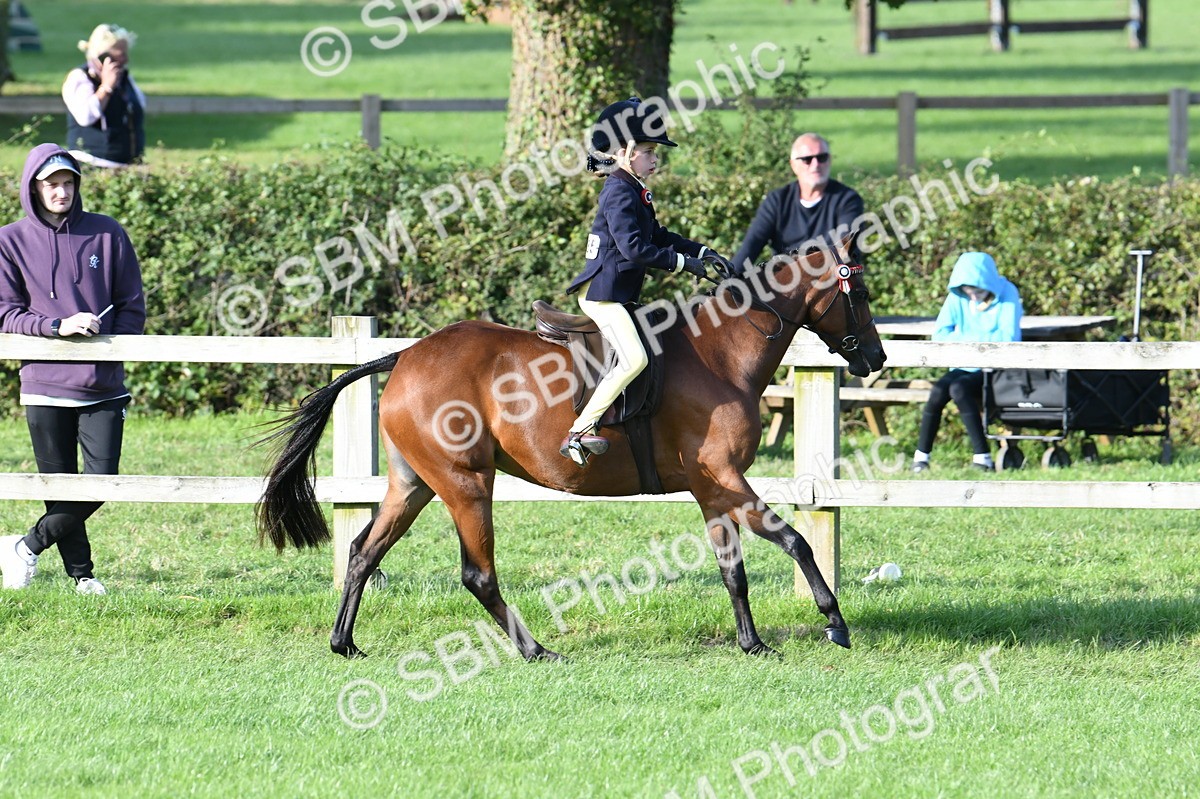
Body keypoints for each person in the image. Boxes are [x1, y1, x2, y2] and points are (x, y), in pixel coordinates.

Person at [0, 144, 146, 593]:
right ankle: (82, 577)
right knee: (59, 485)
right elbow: (6, 313)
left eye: (68, 182)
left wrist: (108, 348)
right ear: (33, 187)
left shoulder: (108, 233)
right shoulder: (10, 240)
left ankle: (24, 547)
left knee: (102, 482)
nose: (61, 191)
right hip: (44, 383)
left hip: (102, 384)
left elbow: (131, 306)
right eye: (51, 184)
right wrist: (56, 326)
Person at [559, 97, 731, 466]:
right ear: (624, 152)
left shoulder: (632, 186)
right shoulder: (619, 190)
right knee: (635, 358)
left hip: (618, 292)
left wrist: (703, 252)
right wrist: (683, 264)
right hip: (603, 295)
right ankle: (580, 430)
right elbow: (635, 248)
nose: (656, 160)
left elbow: (658, 234)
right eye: (650, 152)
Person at [911, 252, 1022, 474]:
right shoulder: (958, 296)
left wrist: (967, 340)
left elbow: (1008, 338)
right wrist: (975, 342)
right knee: (938, 391)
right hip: (963, 363)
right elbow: (940, 335)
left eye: (978, 291)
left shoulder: (1008, 292)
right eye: (968, 291)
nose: (972, 296)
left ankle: (982, 456)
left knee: (958, 389)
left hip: (995, 367)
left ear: (988, 284)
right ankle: (921, 457)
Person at [732, 133, 864, 271]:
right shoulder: (777, 201)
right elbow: (750, 247)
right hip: (783, 285)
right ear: (793, 165)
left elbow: (846, 251)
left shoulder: (847, 200)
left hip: (829, 284)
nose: (815, 165)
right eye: (807, 159)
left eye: (822, 158)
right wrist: (726, 284)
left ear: (830, 160)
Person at [62, 23, 146, 168]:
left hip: (126, 166)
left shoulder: (125, 79)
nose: (126, 60)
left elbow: (140, 107)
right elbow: (85, 116)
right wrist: (106, 87)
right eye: (120, 55)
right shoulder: (80, 78)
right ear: (103, 57)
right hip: (92, 165)